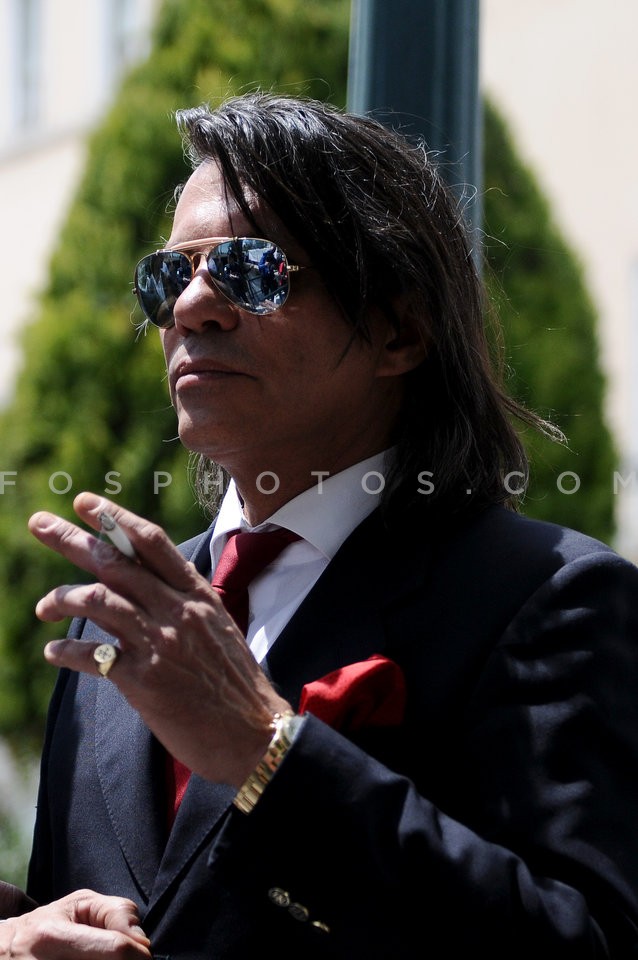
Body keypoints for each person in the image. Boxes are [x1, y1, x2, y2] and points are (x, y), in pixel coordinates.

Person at [2, 92, 638, 958]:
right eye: (169, 276)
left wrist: (269, 753)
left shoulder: (552, 599)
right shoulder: (115, 619)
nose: (192, 306)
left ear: (398, 330)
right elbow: (79, 904)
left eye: (250, 268)